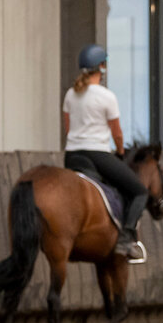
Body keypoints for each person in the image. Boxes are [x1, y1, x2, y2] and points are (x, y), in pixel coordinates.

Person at [62, 44, 147, 260]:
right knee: (139, 191)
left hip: (72, 156)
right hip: (97, 156)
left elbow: (67, 127)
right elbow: (117, 134)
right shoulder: (107, 96)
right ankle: (127, 239)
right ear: (102, 67)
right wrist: (119, 152)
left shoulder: (71, 95)